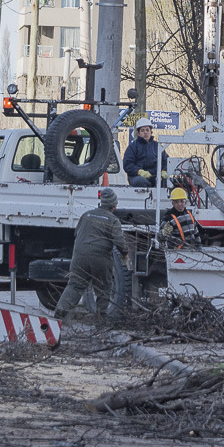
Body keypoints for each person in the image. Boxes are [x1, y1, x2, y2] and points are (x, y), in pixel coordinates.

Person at [54, 188, 131, 321]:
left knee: (75, 285)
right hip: (100, 258)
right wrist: (125, 253)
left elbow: (76, 233)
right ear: (114, 206)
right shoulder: (113, 220)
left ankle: (60, 311)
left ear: (101, 203)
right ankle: (100, 321)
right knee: (104, 287)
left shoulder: (86, 215)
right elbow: (120, 242)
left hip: (79, 256)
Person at [122, 119, 159, 187]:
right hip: (136, 177)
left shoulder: (157, 146)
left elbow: (165, 161)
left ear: (151, 132)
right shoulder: (133, 147)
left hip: (154, 177)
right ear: (138, 133)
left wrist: (164, 171)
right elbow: (127, 164)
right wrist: (139, 171)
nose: (145, 132)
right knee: (140, 181)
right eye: (142, 130)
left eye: (147, 130)